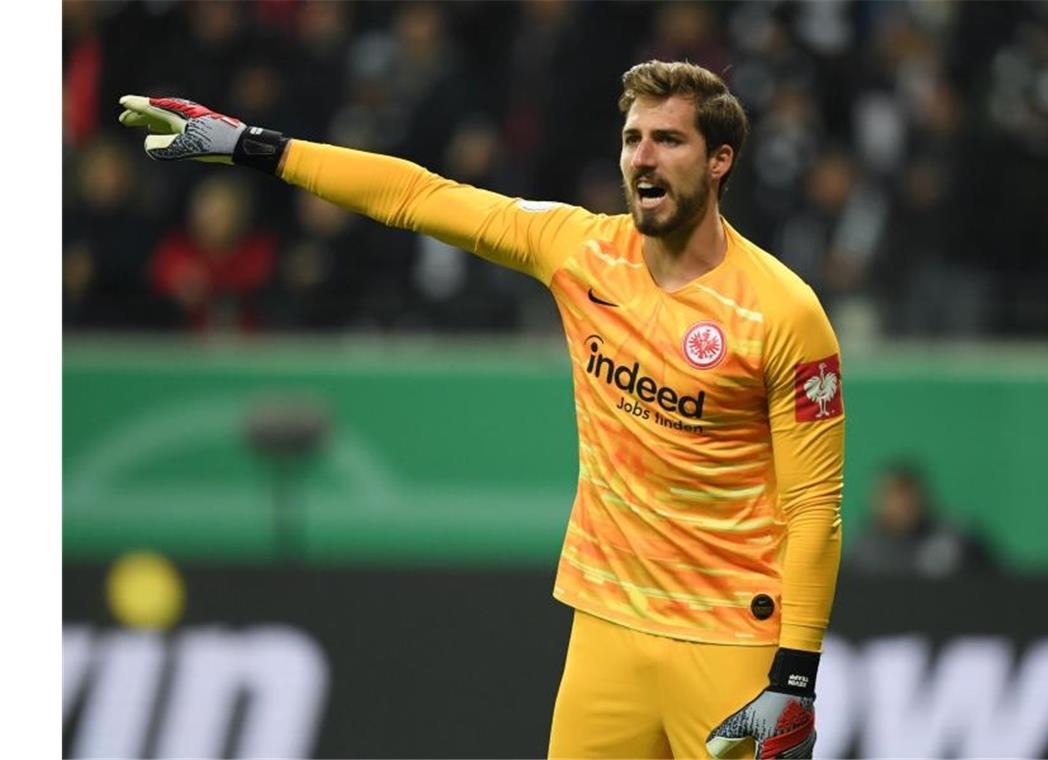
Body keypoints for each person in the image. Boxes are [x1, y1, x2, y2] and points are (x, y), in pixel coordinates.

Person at [118, 60, 845, 759]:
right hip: (607, 623)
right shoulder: (581, 252)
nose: (643, 158)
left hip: (729, 639)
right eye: (632, 139)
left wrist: (795, 678)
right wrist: (248, 145)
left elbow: (815, 509)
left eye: (669, 139)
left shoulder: (783, 314)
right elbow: (418, 196)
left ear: (719, 160)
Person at [847, 462, 996, 578]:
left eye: (908, 493)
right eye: (894, 495)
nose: (903, 503)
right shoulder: (865, 551)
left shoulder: (955, 540)